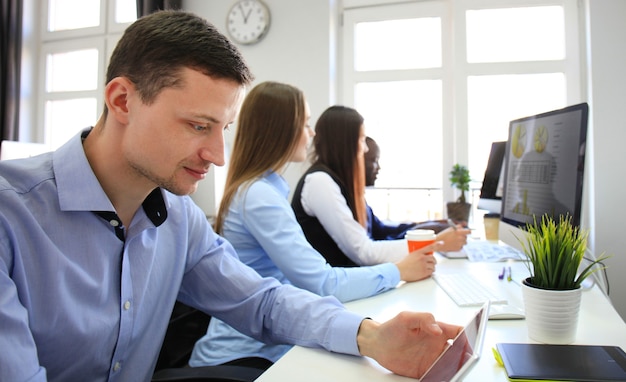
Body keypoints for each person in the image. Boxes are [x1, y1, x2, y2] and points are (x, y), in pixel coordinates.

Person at [0, 10, 462, 382]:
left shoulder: (178, 218)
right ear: (122, 101)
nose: (218, 156)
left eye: (224, 129)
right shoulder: (10, 215)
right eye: (198, 126)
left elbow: (260, 301)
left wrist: (371, 337)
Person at [188, 81, 441, 369]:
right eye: (306, 124)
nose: (311, 134)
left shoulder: (266, 190)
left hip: (269, 341)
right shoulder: (259, 196)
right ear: (281, 130)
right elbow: (322, 282)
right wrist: (398, 271)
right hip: (243, 356)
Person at [292, 106, 469, 267]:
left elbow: (378, 232)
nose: (366, 149)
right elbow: (364, 252)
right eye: (361, 140)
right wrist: (438, 242)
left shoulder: (337, 184)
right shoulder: (319, 182)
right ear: (344, 144)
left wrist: (430, 228)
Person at [364, 136, 453, 240]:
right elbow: (374, 248)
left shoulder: (361, 202)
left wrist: (423, 225)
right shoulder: (348, 203)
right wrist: (420, 233)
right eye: (374, 160)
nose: (379, 167)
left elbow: (381, 230)